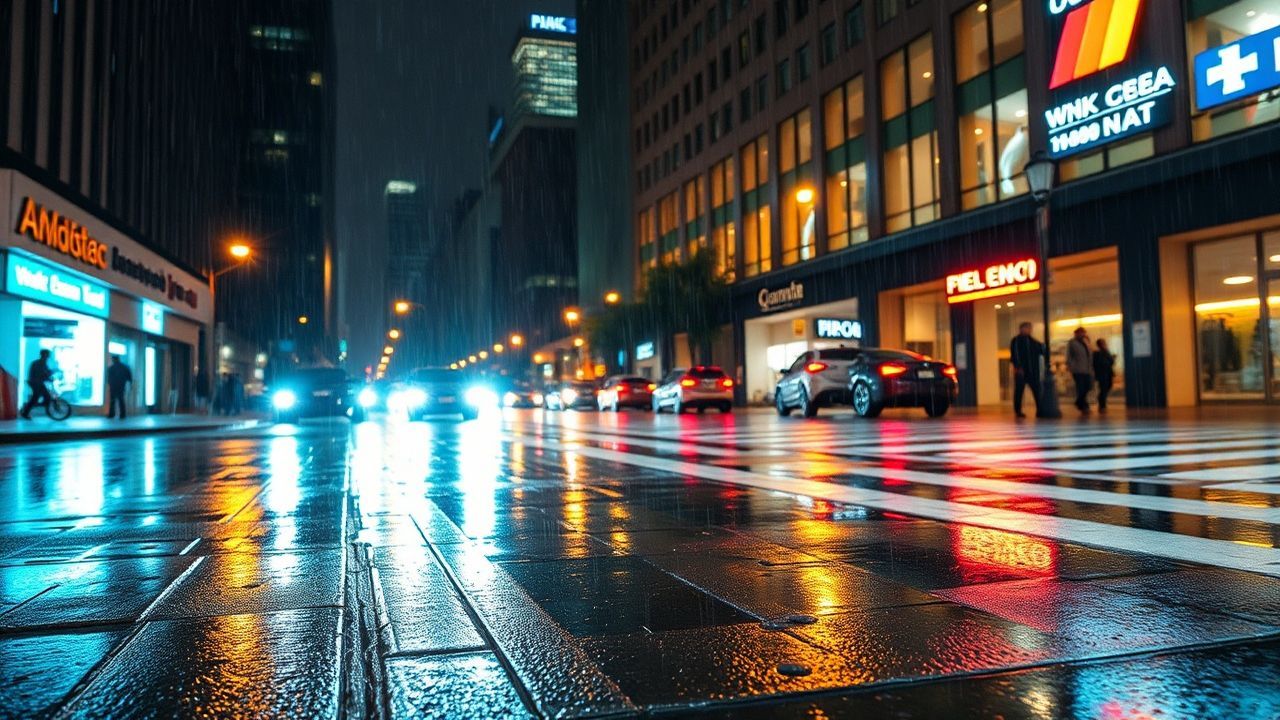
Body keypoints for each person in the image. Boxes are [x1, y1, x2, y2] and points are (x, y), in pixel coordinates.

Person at [1009, 322, 1044, 418]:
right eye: (1027, 328)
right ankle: (1018, 411)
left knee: (1036, 390)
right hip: (1021, 371)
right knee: (1019, 391)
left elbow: (1041, 350)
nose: (1029, 330)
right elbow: (1015, 354)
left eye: (1030, 328)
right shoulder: (1016, 341)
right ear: (1021, 329)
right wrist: (1018, 367)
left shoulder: (1032, 341)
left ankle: (1040, 410)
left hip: (1033, 371)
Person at [19, 349, 55, 419]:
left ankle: (30, 407)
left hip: (38, 383)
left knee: (46, 397)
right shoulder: (38, 363)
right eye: (48, 354)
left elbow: (46, 372)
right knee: (37, 398)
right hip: (35, 383)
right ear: (44, 355)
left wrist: (50, 374)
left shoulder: (42, 362)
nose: (49, 356)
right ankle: (26, 411)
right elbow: (42, 374)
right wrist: (48, 377)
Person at [1066, 327, 1094, 414]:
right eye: (1081, 333)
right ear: (1076, 334)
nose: (1083, 334)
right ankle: (1084, 406)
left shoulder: (1086, 342)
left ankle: (1079, 402)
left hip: (1087, 369)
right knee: (1081, 388)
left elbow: (1090, 354)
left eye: (1084, 333)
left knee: (1088, 386)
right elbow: (1069, 356)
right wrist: (1071, 366)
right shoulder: (1072, 343)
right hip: (1078, 369)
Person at [1093, 338, 1116, 413]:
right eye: (1103, 343)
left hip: (1108, 373)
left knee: (1108, 386)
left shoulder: (1106, 351)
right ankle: (1102, 405)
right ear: (1099, 345)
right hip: (1102, 374)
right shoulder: (1097, 353)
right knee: (1103, 388)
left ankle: (1101, 401)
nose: (1104, 344)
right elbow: (1098, 363)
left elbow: (1111, 361)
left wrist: (1112, 358)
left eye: (1104, 343)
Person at [106, 355, 133, 419]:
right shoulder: (124, 367)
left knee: (112, 401)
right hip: (121, 386)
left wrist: (109, 384)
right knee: (121, 400)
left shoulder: (111, 368)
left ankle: (111, 414)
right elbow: (129, 376)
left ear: (113, 360)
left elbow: (109, 378)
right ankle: (122, 414)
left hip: (113, 386)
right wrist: (130, 383)